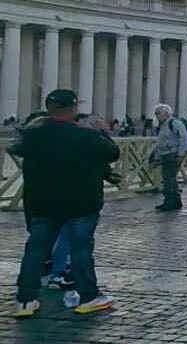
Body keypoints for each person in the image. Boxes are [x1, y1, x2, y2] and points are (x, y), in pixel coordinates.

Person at [11, 89, 120, 317]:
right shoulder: (86, 136)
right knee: (81, 250)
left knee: (35, 251)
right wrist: (100, 131)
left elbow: (15, 147)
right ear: (73, 109)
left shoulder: (33, 136)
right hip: (81, 204)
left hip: (43, 204)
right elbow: (112, 153)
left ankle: (25, 300)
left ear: (49, 109)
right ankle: (88, 297)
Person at [150, 103, 187, 211]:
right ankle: (175, 202)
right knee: (170, 179)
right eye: (156, 113)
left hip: (173, 154)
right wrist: (157, 156)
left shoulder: (175, 123)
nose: (157, 116)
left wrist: (180, 154)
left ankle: (170, 202)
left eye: (159, 113)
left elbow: (184, 139)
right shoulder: (162, 125)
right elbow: (160, 143)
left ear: (166, 114)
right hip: (165, 154)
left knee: (169, 179)